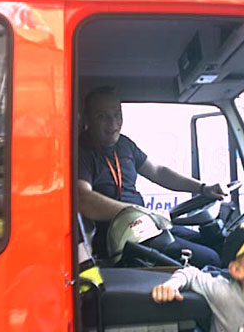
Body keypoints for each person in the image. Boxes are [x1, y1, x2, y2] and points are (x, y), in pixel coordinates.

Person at [78, 86, 226, 267]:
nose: (113, 124)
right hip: (121, 239)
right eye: (102, 117)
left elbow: (158, 172)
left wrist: (203, 188)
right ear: (87, 119)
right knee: (211, 259)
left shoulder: (124, 144)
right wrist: (138, 211)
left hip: (145, 226)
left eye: (117, 115)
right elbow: (83, 198)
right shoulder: (81, 151)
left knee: (213, 242)